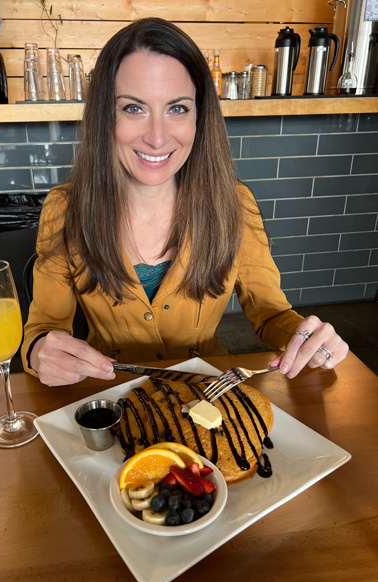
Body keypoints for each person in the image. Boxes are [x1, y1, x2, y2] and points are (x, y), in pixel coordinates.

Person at [21, 17, 348, 387]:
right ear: (104, 116)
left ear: (199, 115)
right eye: (133, 108)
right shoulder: (63, 209)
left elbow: (272, 315)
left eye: (177, 108)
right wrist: (39, 351)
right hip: (106, 396)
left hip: (209, 392)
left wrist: (306, 340)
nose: (157, 138)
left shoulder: (235, 204)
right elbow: (44, 329)